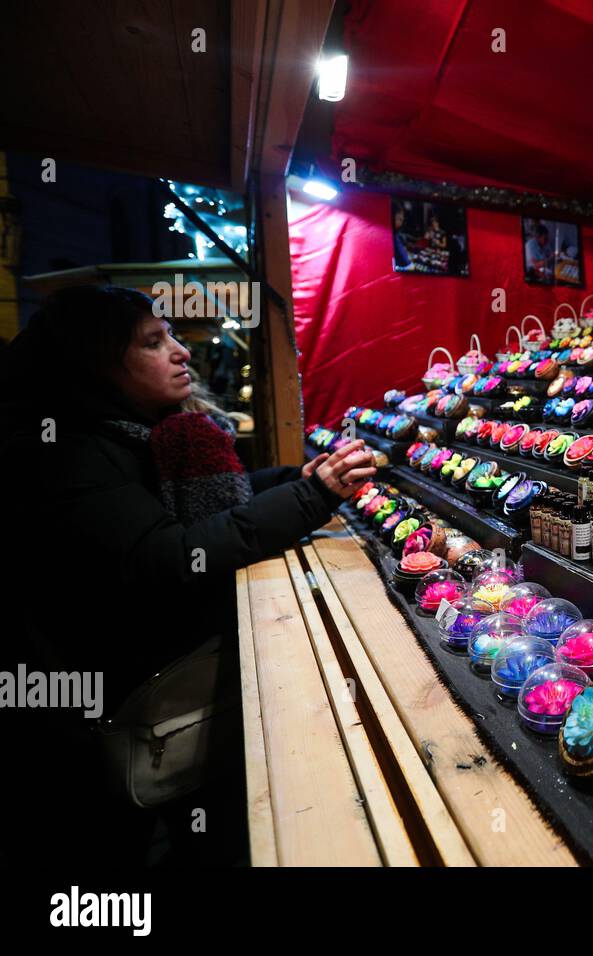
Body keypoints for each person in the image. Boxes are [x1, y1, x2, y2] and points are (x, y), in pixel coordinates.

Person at [0, 285, 374, 864]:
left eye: (172, 334)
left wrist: (296, 480)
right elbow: (172, 554)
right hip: (107, 721)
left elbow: (200, 509)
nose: (181, 352)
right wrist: (311, 497)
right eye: (154, 342)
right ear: (96, 363)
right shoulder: (65, 454)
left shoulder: (133, 434)